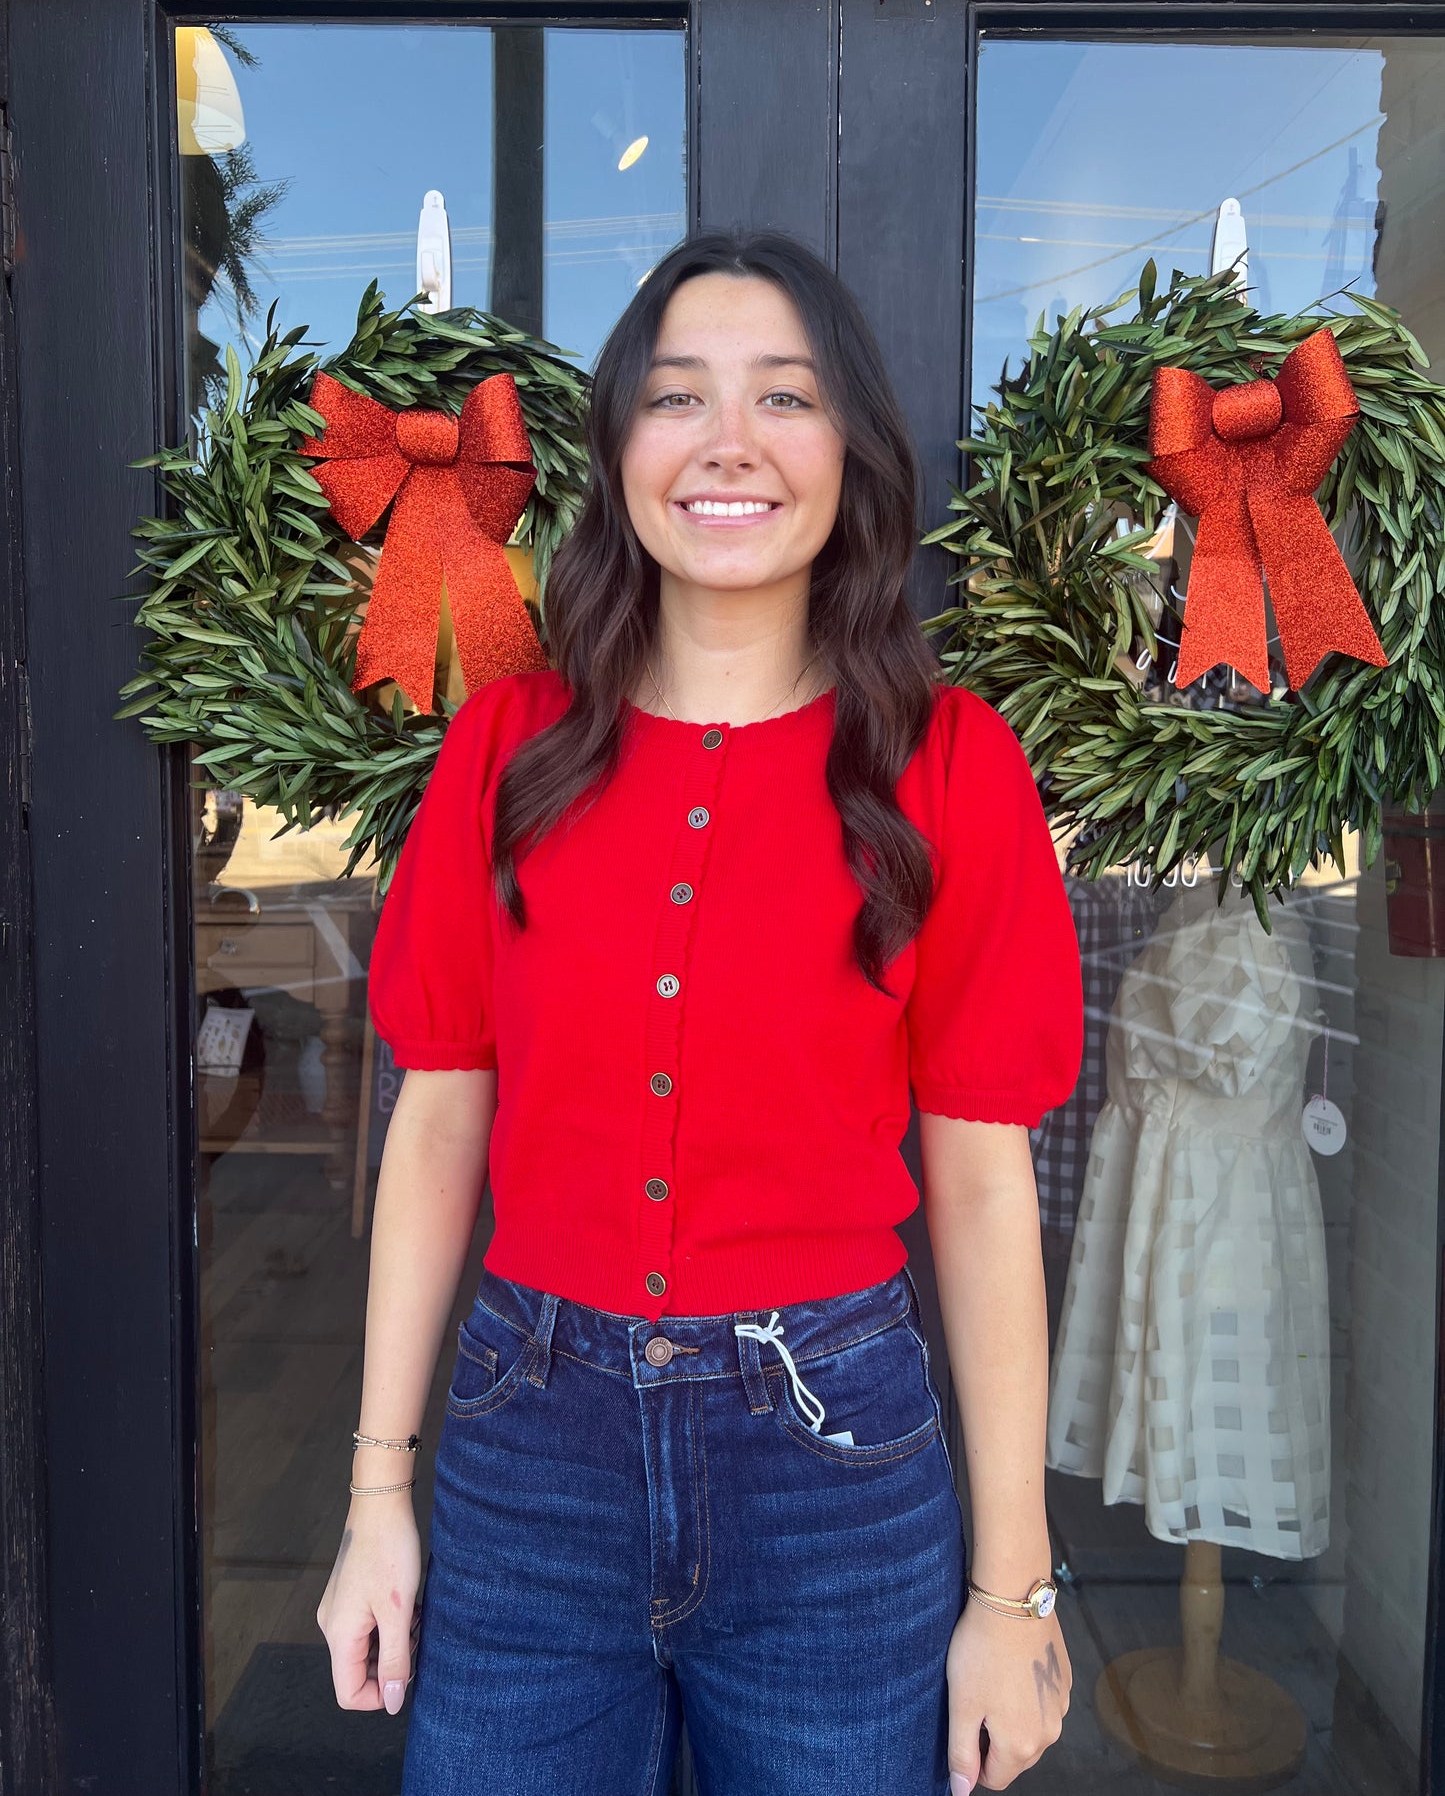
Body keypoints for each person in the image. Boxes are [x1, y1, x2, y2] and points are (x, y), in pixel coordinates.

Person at [316, 228, 1084, 1796]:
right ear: (617, 452)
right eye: (678, 397)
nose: (728, 442)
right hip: (530, 1452)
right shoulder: (508, 750)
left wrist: (1012, 1592)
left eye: (783, 397)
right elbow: (438, 1123)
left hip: (834, 1466)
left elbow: (980, 1184)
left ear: (849, 453)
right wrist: (375, 1500)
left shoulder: (949, 764)